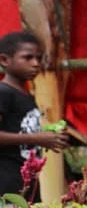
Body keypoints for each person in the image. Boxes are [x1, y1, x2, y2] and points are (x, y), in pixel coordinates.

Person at [0, 32, 66, 198]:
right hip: (6, 182)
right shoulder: (3, 93)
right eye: (27, 58)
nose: (36, 64)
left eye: (39, 58)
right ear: (4, 60)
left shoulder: (27, 96)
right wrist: (36, 138)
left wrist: (50, 137)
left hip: (26, 182)